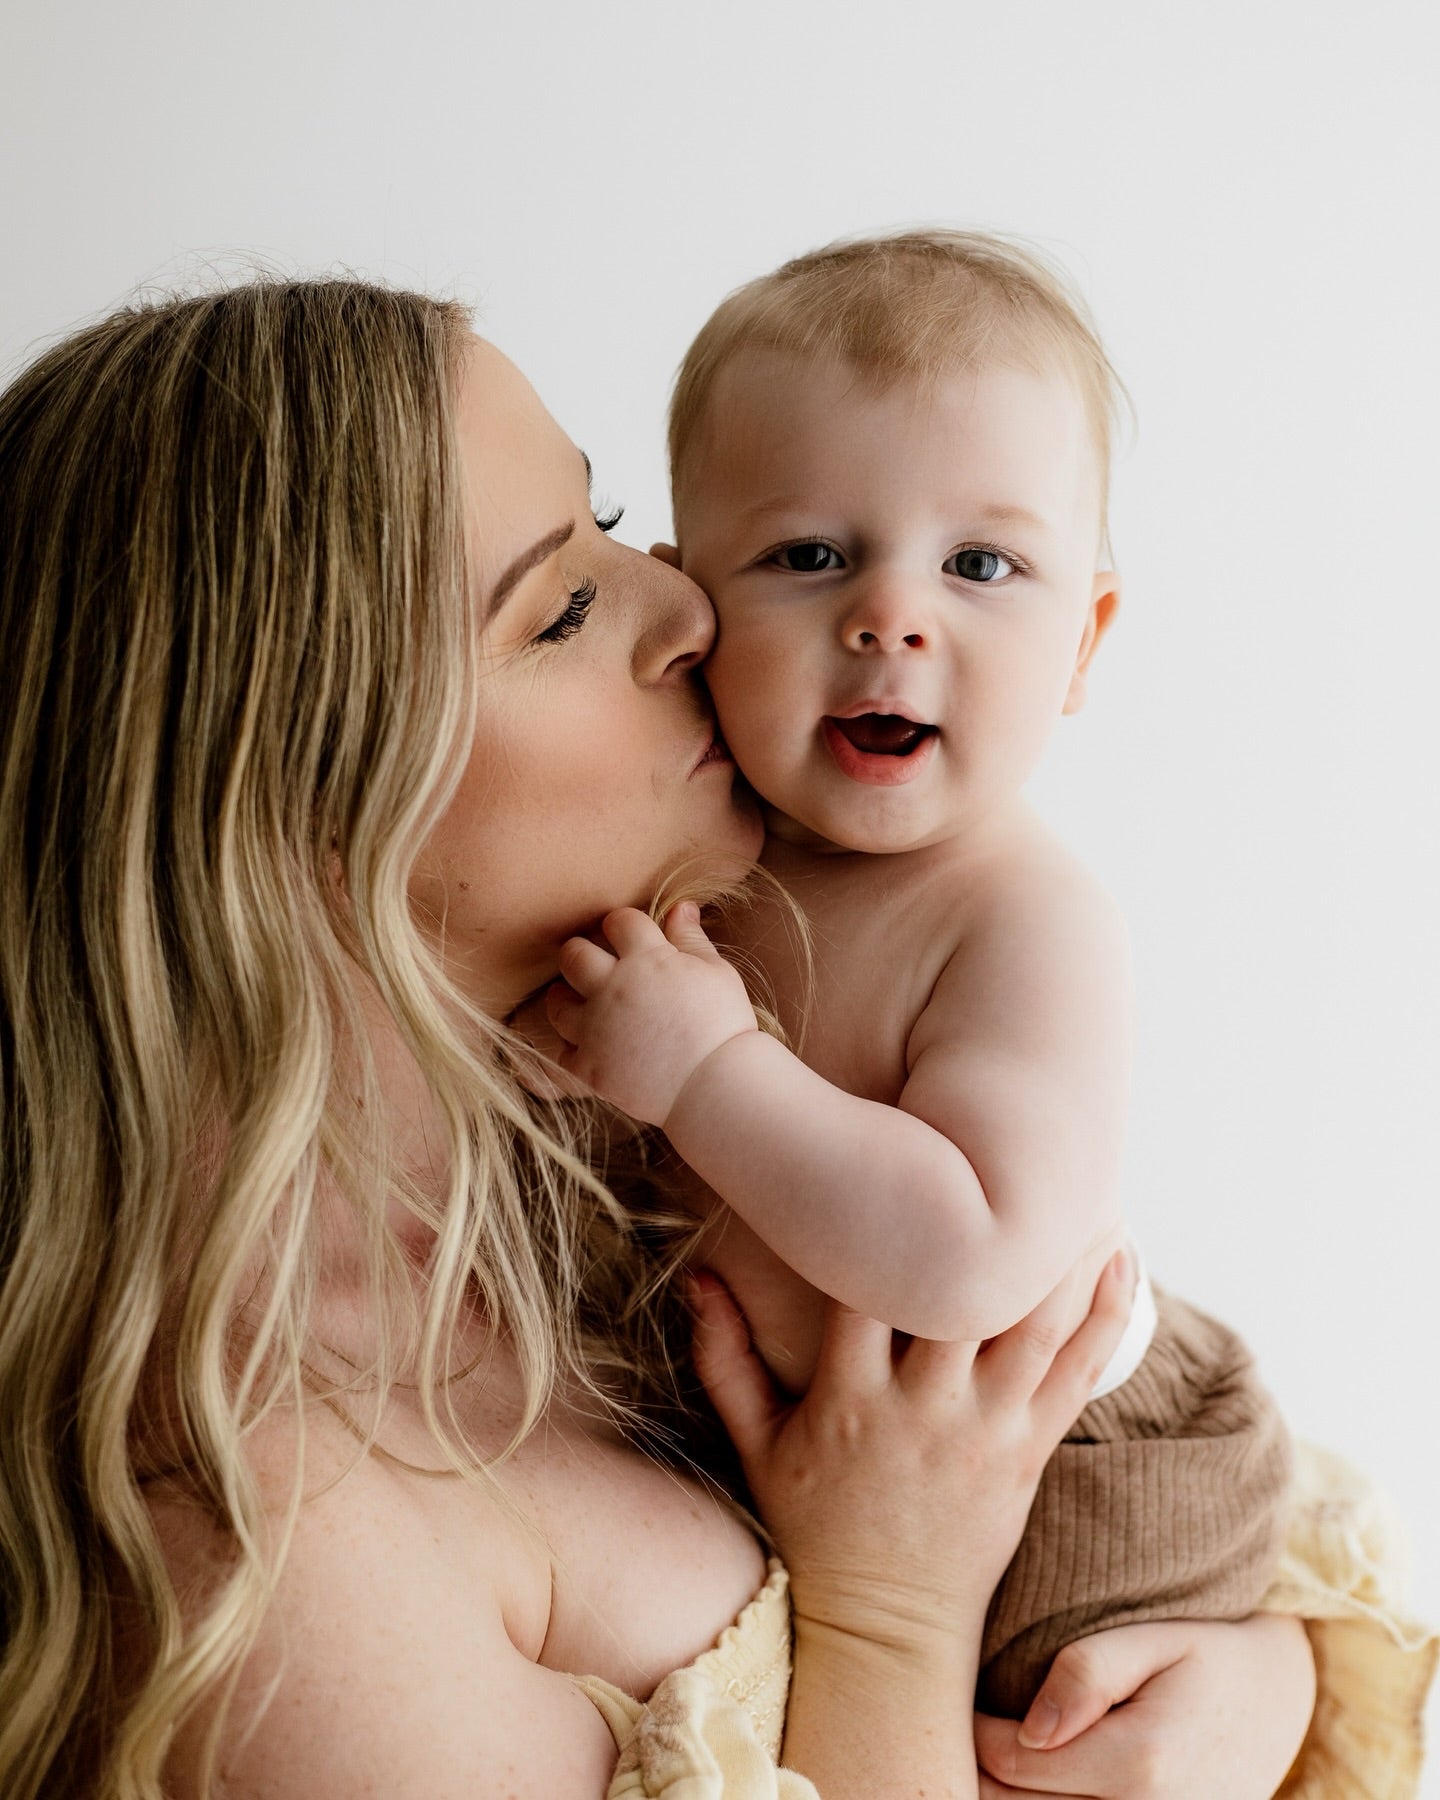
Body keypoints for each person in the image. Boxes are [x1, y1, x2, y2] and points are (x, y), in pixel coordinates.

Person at [0, 278, 1427, 1800]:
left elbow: (1137, 1443)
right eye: (561, 605)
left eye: (613, 521)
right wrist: (895, 1609)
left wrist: (1258, 1684)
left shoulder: (578, 1155)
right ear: (285, 812)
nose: (691, 604)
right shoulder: (269, 1570)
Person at [541, 230, 1294, 1713]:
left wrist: (707, 1072)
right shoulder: (684, 850)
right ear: (692, 607)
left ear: (1083, 643)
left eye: (980, 564)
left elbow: (973, 1258)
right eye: (809, 555)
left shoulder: (1018, 917)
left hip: (1069, 1452)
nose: (890, 616)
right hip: (799, 1452)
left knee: (1056, 1725)